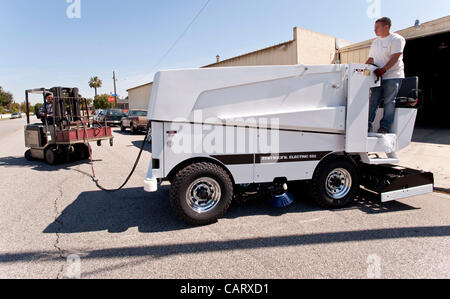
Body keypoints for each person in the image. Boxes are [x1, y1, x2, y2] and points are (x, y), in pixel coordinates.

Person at [366, 17, 406, 134]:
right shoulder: (375, 42)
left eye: (377, 27)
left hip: (393, 76)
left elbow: (395, 57)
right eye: (374, 28)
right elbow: (371, 59)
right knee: (373, 100)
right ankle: (367, 125)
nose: (375, 30)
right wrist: (361, 71)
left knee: (389, 100)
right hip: (377, 76)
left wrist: (384, 69)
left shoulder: (397, 39)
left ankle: (385, 127)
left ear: (386, 26)